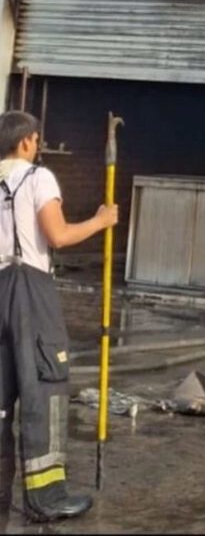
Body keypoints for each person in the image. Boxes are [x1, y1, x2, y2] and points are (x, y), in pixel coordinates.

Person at [0, 110, 118, 522]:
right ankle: (46, 498)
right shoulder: (38, 178)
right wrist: (101, 221)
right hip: (30, 290)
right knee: (44, 386)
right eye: (36, 140)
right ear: (26, 142)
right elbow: (59, 235)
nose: (38, 146)